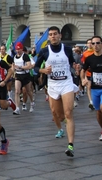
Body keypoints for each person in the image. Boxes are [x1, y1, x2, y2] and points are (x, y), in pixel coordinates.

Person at [35, 26, 77, 157]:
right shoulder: (44, 51)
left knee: (68, 113)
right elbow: (35, 68)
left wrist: (76, 67)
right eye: (51, 34)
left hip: (66, 83)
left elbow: (72, 63)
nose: (53, 36)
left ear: (60, 36)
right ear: (48, 37)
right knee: (58, 115)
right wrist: (43, 71)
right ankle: (63, 126)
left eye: (55, 34)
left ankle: (70, 145)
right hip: (53, 85)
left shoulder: (68, 49)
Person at [12, 42, 33, 115]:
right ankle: (17, 108)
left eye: (19, 49)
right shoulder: (14, 57)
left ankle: (32, 102)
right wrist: (13, 70)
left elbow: (29, 66)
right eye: (16, 50)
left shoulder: (25, 56)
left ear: (22, 49)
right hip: (18, 75)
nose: (18, 51)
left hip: (25, 75)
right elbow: (13, 65)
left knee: (28, 91)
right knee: (17, 91)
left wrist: (21, 67)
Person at [81, 39, 95, 110]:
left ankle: (95, 100)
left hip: (96, 73)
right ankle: (91, 101)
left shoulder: (95, 52)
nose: (89, 44)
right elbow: (84, 65)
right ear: (86, 44)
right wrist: (84, 76)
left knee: (94, 87)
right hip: (88, 73)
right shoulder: (85, 53)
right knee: (89, 87)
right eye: (88, 43)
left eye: (91, 43)